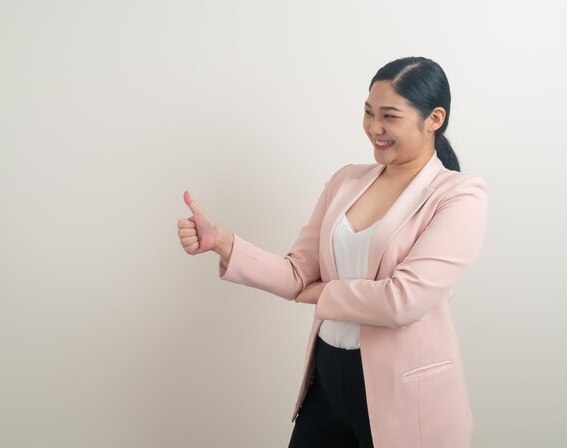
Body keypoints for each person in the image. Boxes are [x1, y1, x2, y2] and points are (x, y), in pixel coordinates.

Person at [177, 56, 489, 448]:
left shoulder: (459, 195)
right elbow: (296, 275)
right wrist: (222, 241)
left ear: (434, 119)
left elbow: (403, 301)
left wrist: (326, 293)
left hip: (405, 394)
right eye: (368, 112)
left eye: (390, 116)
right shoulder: (346, 180)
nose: (374, 127)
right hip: (327, 380)